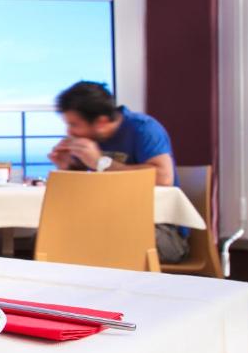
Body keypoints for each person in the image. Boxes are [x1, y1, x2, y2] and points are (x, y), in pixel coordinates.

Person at [48, 81, 189, 262]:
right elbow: (84, 192)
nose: (69, 132)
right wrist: (67, 166)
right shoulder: (91, 138)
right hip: (110, 223)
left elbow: (163, 178)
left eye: (74, 124)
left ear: (101, 122)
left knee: (79, 243)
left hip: (160, 231)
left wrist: (100, 162)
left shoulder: (143, 128)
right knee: (50, 238)